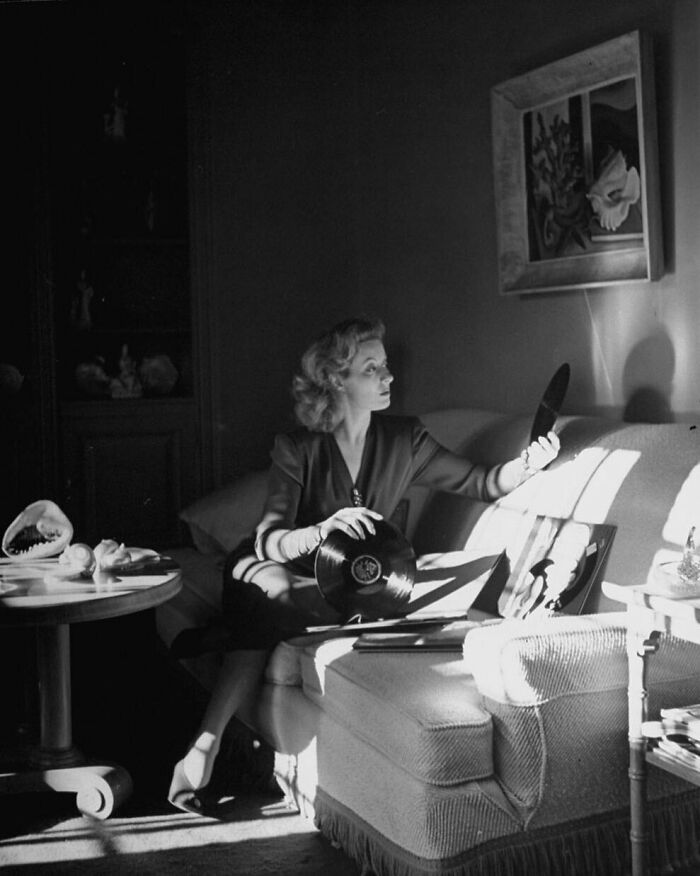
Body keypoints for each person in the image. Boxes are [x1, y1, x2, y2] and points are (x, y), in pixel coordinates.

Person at [167, 316, 560, 813]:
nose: (388, 377)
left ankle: (221, 645)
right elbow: (268, 538)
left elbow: (482, 483)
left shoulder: (407, 439)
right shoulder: (297, 447)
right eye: (371, 369)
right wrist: (320, 530)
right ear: (336, 381)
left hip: (350, 582)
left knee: (394, 590)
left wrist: (529, 463)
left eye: (385, 366)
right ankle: (208, 742)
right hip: (279, 565)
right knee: (277, 592)